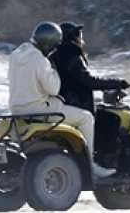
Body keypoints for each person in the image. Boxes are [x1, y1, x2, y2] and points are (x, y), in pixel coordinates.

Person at [7, 21, 115, 180]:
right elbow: (54, 89)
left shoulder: (16, 55)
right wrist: (54, 71)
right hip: (38, 108)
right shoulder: (41, 61)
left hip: (16, 108)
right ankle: (91, 165)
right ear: (49, 44)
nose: (53, 50)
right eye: (54, 46)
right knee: (86, 117)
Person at [52, 22, 130, 115]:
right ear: (71, 37)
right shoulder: (72, 54)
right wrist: (118, 83)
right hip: (77, 104)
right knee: (111, 118)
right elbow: (88, 81)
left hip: (65, 103)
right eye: (78, 34)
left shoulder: (56, 54)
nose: (81, 38)